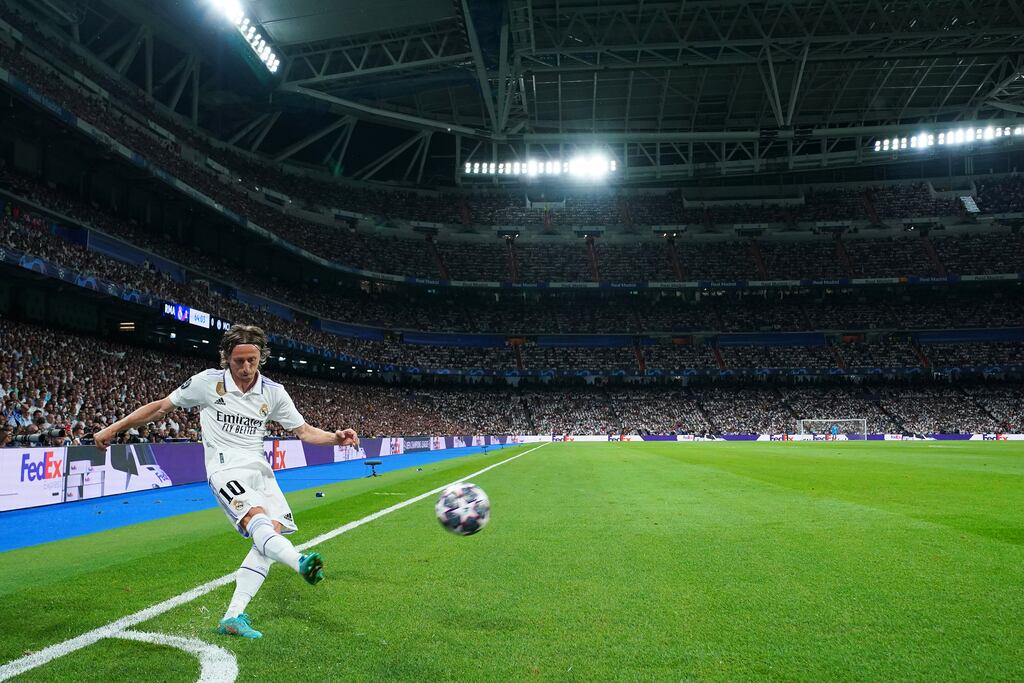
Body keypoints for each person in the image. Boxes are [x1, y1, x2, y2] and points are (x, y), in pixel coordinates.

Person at [93, 324, 358, 640]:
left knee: (267, 540)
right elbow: (161, 407)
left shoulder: (273, 392)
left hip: (260, 471)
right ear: (226, 359)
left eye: (252, 361)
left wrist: (335, 438)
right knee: (258, 523)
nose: (246, 368)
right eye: (239, 361)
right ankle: (299, 561)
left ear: (261, 358)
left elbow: (304, 431)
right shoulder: (207, 383)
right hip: (224, 468)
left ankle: (233, 617)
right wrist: (114, 428)